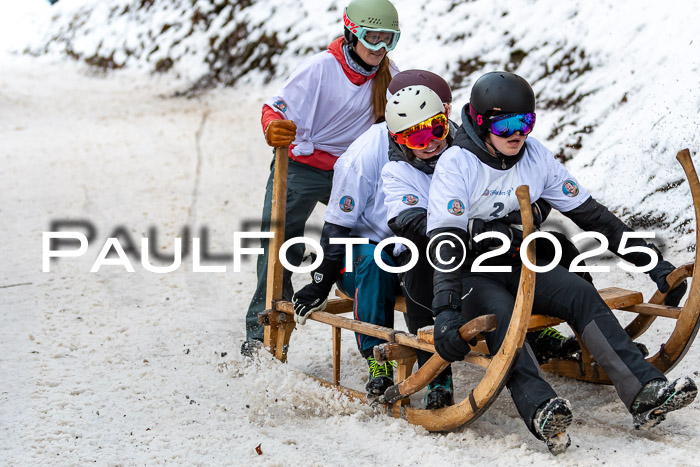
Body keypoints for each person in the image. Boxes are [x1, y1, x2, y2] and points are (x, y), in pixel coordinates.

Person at [426, 71, 697, 454]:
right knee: (503, 314)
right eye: (506, 123)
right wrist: (445, 311)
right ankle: (540, 407)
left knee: (578, 291)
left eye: (526, 121)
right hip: (473, 271)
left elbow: (593, 216)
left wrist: (652, 263)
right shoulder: (458, 163)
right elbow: (446, 242)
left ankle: (644, 391)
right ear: (482, 122)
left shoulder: (535, 156)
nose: (517, 132)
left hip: (520, 262)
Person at [381, 76, 590, 409]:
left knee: (554, 246)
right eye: (417, 137)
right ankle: (438, 374)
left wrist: (506, 223)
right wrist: (475, 229)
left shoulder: (472, 151)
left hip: (484, 252)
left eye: (436, 128)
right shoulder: (397, 173)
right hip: (432, 261)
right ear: (400, 140)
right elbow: (415, 224)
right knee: (425, 263)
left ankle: (575, 336)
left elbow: (524, 190)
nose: (431, 141)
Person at [242, 0, 401, 355]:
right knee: (279, 240)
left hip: (350, 169)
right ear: (351, 33)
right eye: (372, 38)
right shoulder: (320, 68)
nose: (379, 49)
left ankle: (361, 285)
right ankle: (260, 331)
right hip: (301, 165)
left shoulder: (388, 76)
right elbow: (274, 108)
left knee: (371, 226)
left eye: (388, 40)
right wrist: (274, 129)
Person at [291, 71, 456, 400]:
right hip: (367, 251)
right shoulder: (365, 154)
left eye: (441, 117)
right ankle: (377, 357)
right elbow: (337, 223)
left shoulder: (451, 138)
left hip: (419, 245)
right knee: (374, 262)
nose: (432, 134)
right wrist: (322, 281)